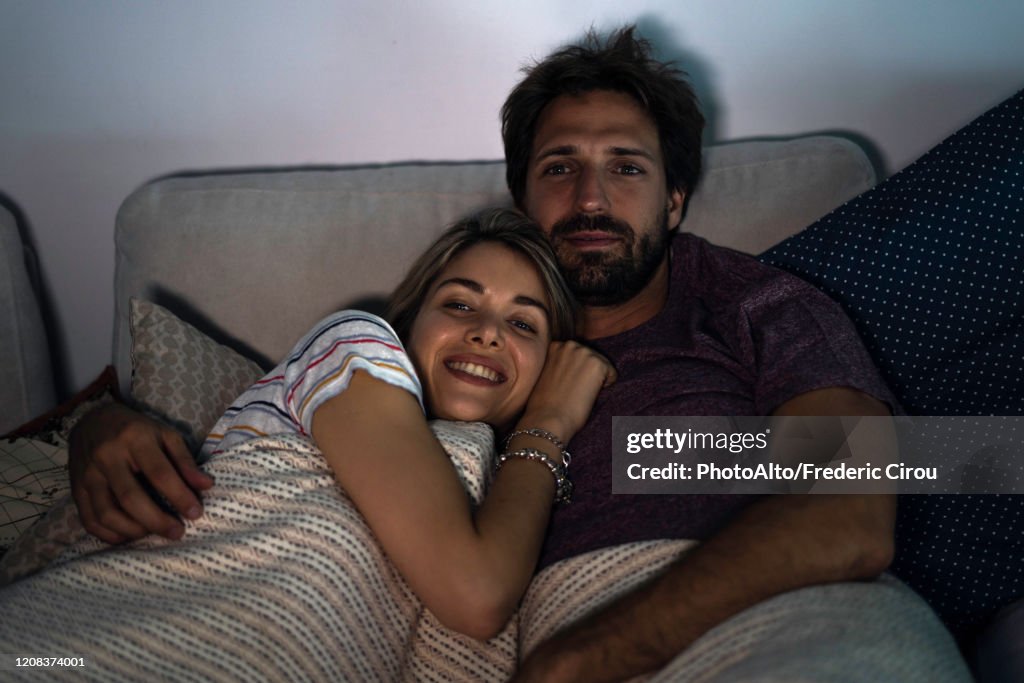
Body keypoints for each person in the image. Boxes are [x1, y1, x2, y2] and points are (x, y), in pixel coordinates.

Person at [69, 27, 966, 682]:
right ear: (520, 196)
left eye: (626, 167)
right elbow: (273, 421)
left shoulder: (754, 303)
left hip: (776, 614)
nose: (590, 196)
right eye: (559, 166)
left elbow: (850, 510)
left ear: (676, 200)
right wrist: (98, 421)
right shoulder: (451, 355)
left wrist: (588, 655)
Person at [78, 207, 615, 641]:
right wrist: (546, 422)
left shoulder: (510, 481)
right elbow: (476, 596)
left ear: (549, 369)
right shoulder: (356, 347)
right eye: (458, 303)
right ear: (407, 326)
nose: (487, 333)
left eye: (523, 323)